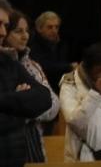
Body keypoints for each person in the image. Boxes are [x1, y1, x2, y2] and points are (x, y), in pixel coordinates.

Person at [0, 2, 53, 167]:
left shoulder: (8, 64)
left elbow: (44, 99)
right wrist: (19, 104)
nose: (2, 32)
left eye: (4, 26)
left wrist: (8, 102)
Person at [5, 10, 60, 158]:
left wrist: (24, 105)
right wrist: (29, 102)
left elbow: (54, 104)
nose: (25, 36)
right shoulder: (5, 66)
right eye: (18, 31)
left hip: (33, 143)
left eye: (27, 31)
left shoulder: (32, 65)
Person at [59, 44, 101, 162]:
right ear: (89, 70)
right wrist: (97, 93)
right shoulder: (70, 83)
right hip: (85, 155)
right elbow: (74, 121)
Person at [29, 11, 72, 93]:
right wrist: (68, 66)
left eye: (56, 27)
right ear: (39, 28)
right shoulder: (33, 44)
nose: (54, 31)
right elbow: (43, 65)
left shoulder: (60, 44)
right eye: (50, 27)